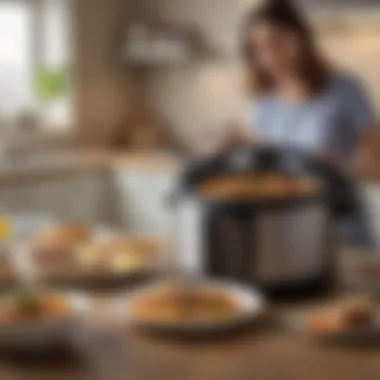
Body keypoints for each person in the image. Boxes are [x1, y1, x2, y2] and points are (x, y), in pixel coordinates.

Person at [218, 0, 380, 248]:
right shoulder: (264, 102)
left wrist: (341, 168)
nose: (268, 57)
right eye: (257, 49)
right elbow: (268, 170)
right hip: (283, 234)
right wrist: (239, 150)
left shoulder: (346, 89)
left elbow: (376, 166)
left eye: (276, 42)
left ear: (301, 38)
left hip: (341, 232)